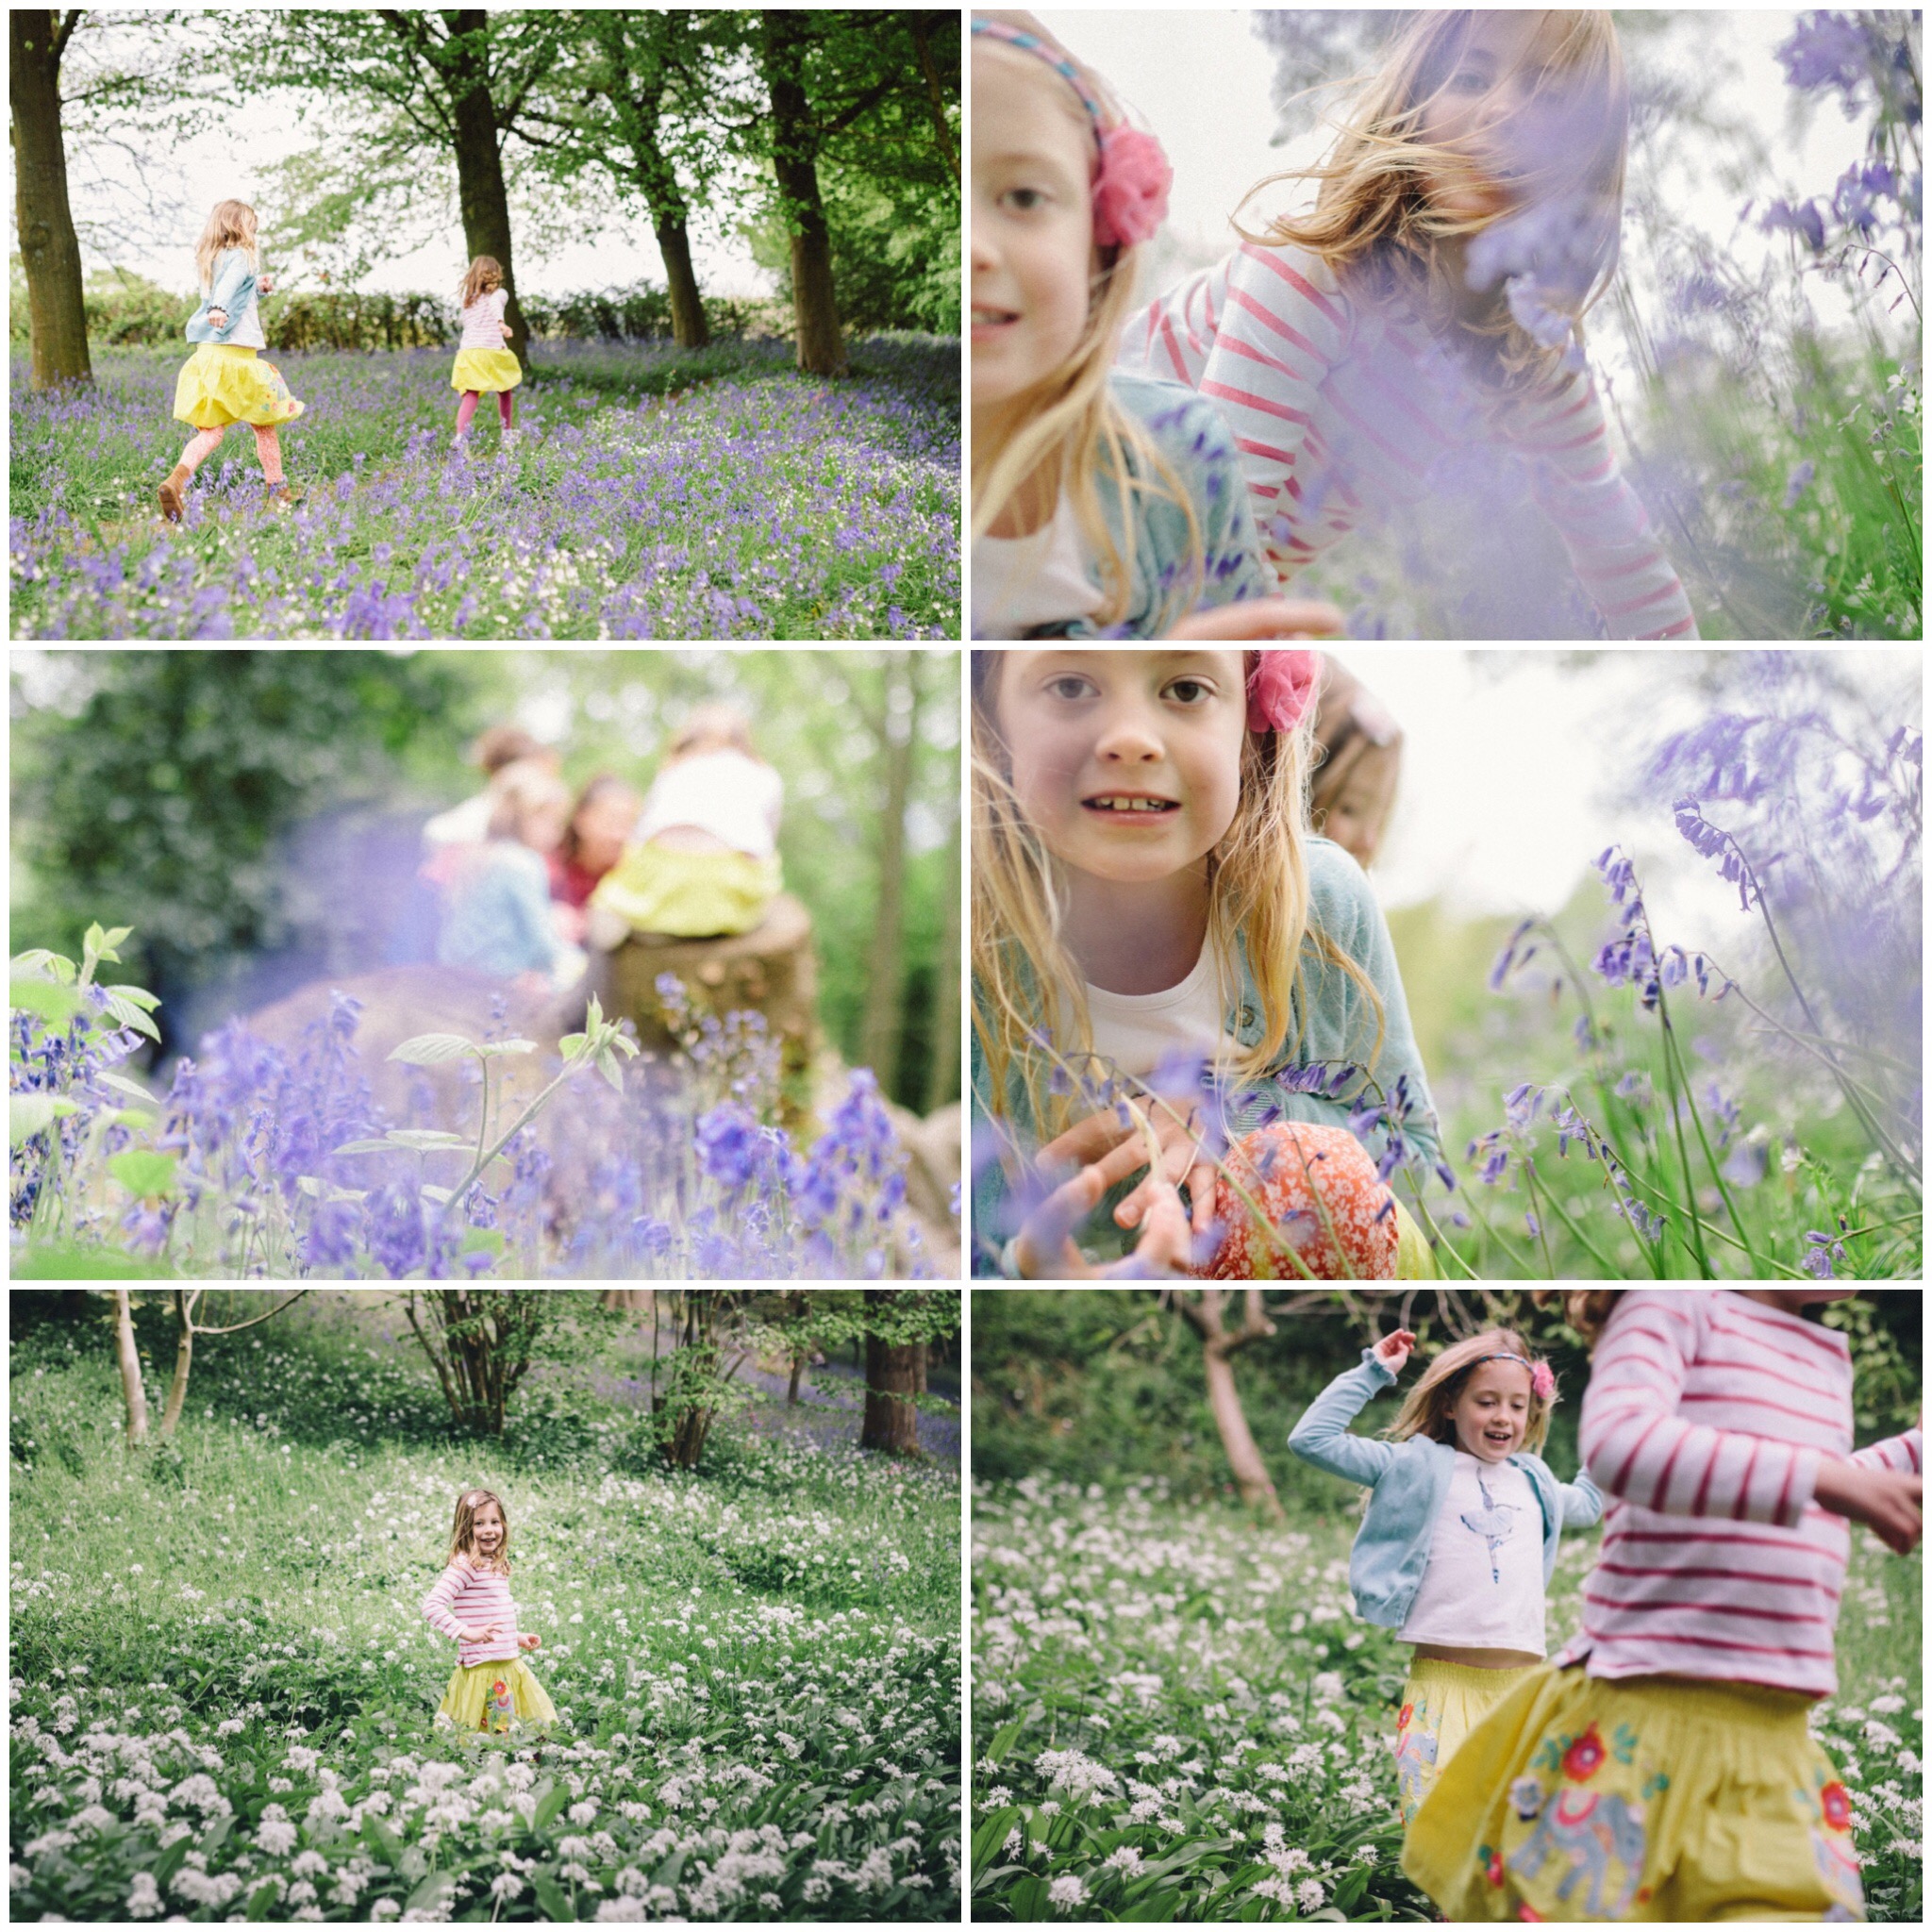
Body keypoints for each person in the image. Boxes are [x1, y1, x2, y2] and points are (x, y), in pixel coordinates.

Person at [1118, 11, 1699, 641]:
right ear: (1415, 104)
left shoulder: (1534, 370)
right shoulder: (1317, 271)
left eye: (1547, 96)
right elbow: (1220, 526)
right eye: (1471, 78)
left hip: (1165, 589)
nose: (1502, 109)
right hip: (1069, 492)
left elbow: (1627, 565)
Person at [1405, 1289, 1924, 1922]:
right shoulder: (1675, 1304)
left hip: (1776, 1740)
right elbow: (1623, 1445)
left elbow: (1806, 1485)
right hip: (1645, 1725)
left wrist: (1907, 1455)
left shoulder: (1820, 1352)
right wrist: (1824, 1477)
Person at [969, 646, 1443, 1279]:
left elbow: (1414, 1162)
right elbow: (979, 1243)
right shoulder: (981, 945)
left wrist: (1231, 1117)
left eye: (1186, 690)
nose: (1132, 739)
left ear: (1250, 726)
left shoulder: (1319, 905)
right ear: (991, 721)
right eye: (1072, 685)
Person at [971, 12, 1343, 641]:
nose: (973, 246)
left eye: (1024, 198)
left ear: (1102, 240)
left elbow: (1240, 663)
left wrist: (1163, 673)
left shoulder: (1177, 461)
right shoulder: (865, 484)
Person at [1288, 1326, 1602, 1829]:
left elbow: (1588, 1502)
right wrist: (1372, 1372)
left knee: (1518, 1829)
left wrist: (1618, 1425)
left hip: (1522, 1690)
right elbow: (1311, 1440)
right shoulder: (1414, 1465)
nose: (1504, 1416)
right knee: (1437, 1828)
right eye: (1487, 1401)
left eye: (1517, 1406)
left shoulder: (1534, 1481)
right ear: (1452, 1405)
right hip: (1442, 1687)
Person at [158, 200, 305, 522]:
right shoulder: (243, 255)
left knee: (211, 432)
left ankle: (175, 481)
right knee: (265, 428)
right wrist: (219, 309)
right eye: (253, 225)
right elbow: (226, 292)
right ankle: (278, 492)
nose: (255, 232)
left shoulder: (208, 258)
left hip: (207, 358)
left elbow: (234, 291)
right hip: (239, 359)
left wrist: (260, 291)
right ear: (239, 225)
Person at [589, 707, 782, 945]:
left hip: (663, 877)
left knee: (623, 881)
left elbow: (642, 831)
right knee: (768, 866)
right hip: (726, 882)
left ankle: (622, 912)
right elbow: (766, 844)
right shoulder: (763, 774)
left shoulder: (672, 768)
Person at [436, 763, 585, 991]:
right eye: (551, 821)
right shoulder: (522, 863)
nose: (558, 831)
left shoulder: (480, 854)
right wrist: (582, 964)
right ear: (522, 817)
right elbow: (543, 946)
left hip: (454, 976)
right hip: (499, 983)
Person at [421, 1488, 556, 1736]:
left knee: (515, 1727)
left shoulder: (493, 1563)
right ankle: (491, 1764)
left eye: (495, 1522)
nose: (489, 1530)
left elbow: (489, 1615)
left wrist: (515, 1636)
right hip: (484, 1668)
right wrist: (466, 1632)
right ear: (465, 1529)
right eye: (479, 1523)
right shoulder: (465, 1565)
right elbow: (431, 1606)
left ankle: (516, 1760)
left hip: (505, 1663)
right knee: (491, 1731)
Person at [548, 774, 641, 943]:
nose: (619, 835)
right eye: (611, 822)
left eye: (628, 823)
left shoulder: (634, 873)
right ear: (581, 819)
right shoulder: (549, 869)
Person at [451, 256, 521, 448]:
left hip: (469, 351)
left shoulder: (468, 299)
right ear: (496, 274)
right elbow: (495, 305)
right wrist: (501, 323)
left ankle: (460, 437)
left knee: (471, 393)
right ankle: (506, 433)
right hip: (491, 350)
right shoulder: (500, 294)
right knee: (504, 388)